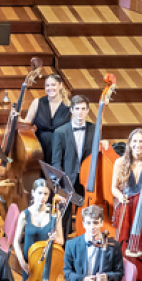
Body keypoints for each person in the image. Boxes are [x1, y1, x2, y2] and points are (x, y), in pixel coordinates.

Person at [51, 95, 103, 234]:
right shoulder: (60, 132)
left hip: (87, 179)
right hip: (68, 178)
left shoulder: (95, 130)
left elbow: (98, 156)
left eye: (83, 109)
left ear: (88, 110)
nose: (80, 112)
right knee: (64, 215)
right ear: (71, 110)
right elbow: (56, 160)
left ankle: (84, 238)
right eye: (77, 109)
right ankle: (63, 242)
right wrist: (60, 181)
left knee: (87, 213)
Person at [20, 74, 72, 163]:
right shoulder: (37, 102)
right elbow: (27, 123)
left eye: (53, 85)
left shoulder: (70, 107)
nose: (50, 88)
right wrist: (16, 117)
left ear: (60, 86)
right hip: (40, 148)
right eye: (47, 85)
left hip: (60, 150)